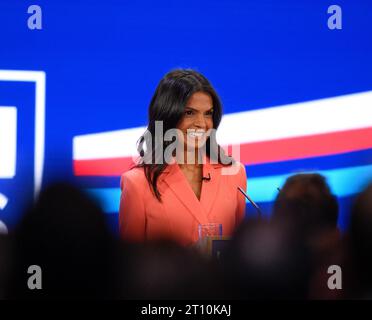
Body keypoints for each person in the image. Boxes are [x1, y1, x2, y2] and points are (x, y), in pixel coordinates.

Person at [119, 69, 247, 246]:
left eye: (208, 113)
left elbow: (239, 251)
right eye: (190, 113)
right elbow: (131, 262)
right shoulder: (138, 183)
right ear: (168, 115)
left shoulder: (234, 174)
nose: (202, 124)